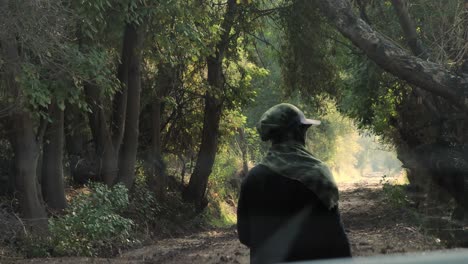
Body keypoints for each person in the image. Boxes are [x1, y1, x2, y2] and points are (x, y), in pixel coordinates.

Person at [237, 103, 351, 263]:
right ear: (298, 132)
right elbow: (336, 238)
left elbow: (245, 235)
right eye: (304, 129)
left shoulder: (253, 178)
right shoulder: (318, 174)